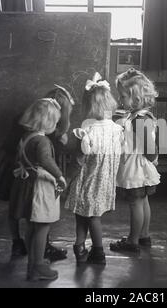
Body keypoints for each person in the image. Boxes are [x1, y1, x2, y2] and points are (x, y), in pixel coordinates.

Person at [0, 86, 74, 261]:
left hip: (14, 167)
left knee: (16, 209)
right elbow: (46, 159)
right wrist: (60, 173)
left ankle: (19, 243)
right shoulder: (46, 136)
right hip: (25, 172)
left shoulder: (30, 118)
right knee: (35, 213)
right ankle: (39, 250)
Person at [65, 73, 123, 265]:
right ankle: (84, 247)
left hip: (87, 177)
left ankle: (93, 250)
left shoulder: (87, 126)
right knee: (92, 215)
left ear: (89, 106)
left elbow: (82, 155)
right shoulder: (117, 129)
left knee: (83, 214)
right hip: (104, 178)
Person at [10, 98, 67, 281]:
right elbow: (45, 160)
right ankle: (39, 266)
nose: (56, 124)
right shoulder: (42, 141)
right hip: (39, 187)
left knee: (32, 227)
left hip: (27, 186)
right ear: (48, 121)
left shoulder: (27, 136)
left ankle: (32, 265)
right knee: (43, 226)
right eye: (55, 121)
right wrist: (59, 176)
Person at [110, 69, 161, 254]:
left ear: (137, 97)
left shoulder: (139, 120)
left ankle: (132, 241)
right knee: (143, 201)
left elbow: (148, 146)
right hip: (141, 167)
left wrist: (153, 159)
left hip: (136, 167)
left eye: (123, 96)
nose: (120, 100)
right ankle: (144, 235)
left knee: (135, 204)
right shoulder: (139, 115)